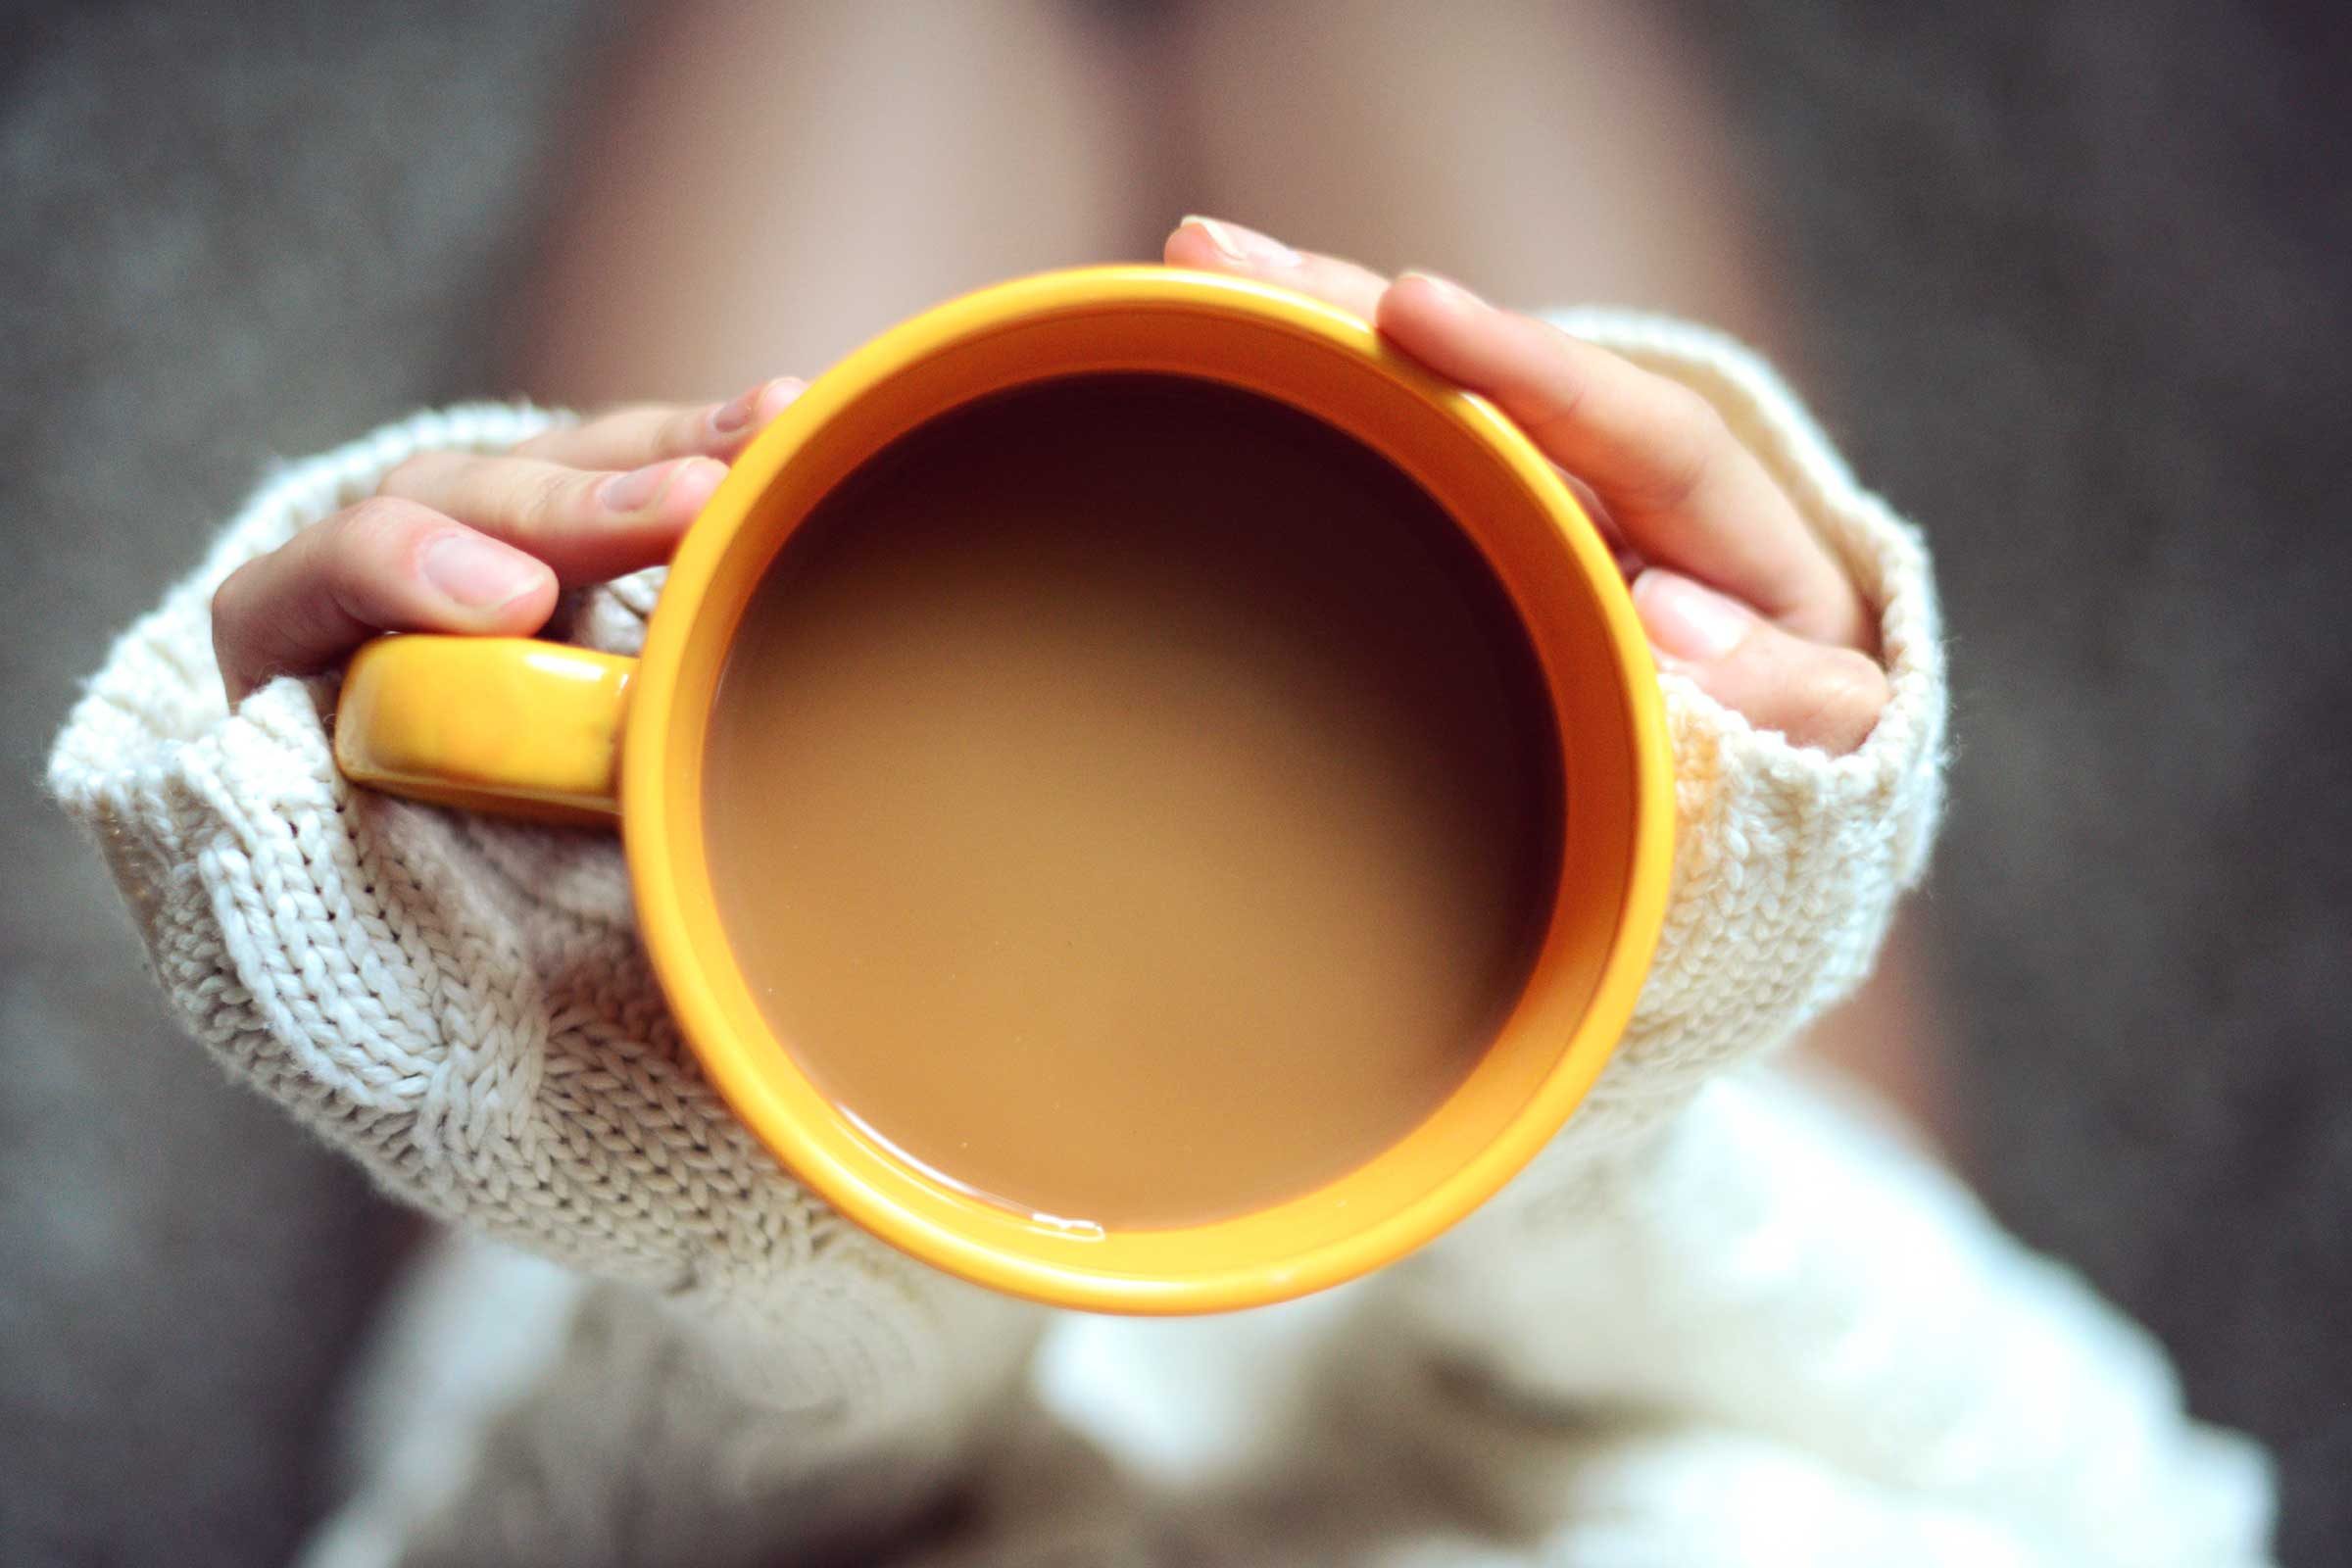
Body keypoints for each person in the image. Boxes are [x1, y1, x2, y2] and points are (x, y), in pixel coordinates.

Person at [46, 7, 2272, 1561]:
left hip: (715, 1224)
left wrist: (698, 1188)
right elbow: (2058, 1495)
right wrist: (1642, 1020)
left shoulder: (693, 1203)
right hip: (1655, 1285)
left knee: (861, 53)